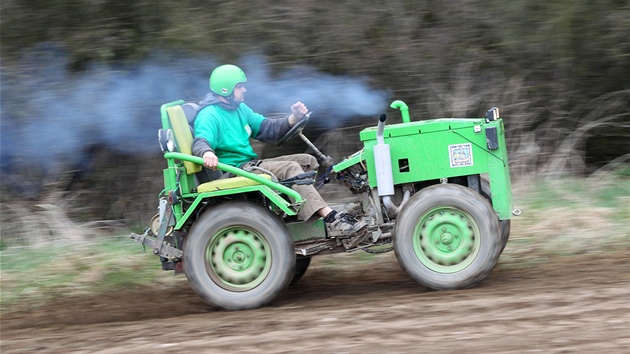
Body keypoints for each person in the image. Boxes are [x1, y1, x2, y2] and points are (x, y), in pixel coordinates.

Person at [191, 64, 366, 236]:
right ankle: (331, 218)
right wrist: (207, 152)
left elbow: (267, 128)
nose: (244, 90)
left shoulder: (239, 109)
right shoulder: (210, 115)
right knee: (290, 168)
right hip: (235, 170)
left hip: (249, 165)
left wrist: (292, 119)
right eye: (239, 86)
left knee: (307, 161)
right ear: (225, 90)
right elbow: (200, 141)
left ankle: (301, 213)